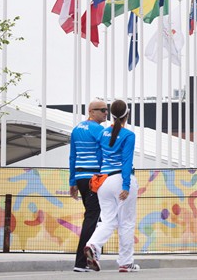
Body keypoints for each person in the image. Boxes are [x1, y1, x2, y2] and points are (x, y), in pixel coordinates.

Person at [84, 99, 140, 273]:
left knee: (108, 220)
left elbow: (100, 157)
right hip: (120, 180)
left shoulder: (103, 133)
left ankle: (93, 245)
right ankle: (126, 262)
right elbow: (126, 161)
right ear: (127, 115)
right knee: (126, 222)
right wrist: (126, 185)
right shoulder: (128, 135)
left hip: (104, 181)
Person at [68, 99, 107, 272]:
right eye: (102, 110)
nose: (106, 113)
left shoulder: (76, 129)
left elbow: (72, 156)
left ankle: (90, 258)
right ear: (91, 111)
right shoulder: (99, 130)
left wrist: (72, 181)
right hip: (94, 178)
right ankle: (81, 261)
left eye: (107, 110)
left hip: (81, 178)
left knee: (94, 216)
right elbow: (103, 155)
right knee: (92, 216)